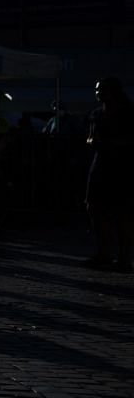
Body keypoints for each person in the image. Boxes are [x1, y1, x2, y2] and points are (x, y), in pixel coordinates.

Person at [83, 76, 132, 271]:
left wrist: (110, 144)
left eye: (101, 89)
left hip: (123, 166)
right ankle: (104, 253)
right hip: (101, 164)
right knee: (95, 208)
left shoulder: (128, 113)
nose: (98, 93)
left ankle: (124, 258)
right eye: (97, 90)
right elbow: (90, 137)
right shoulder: (96, 114)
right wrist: (94, 142)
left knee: (123, 213)